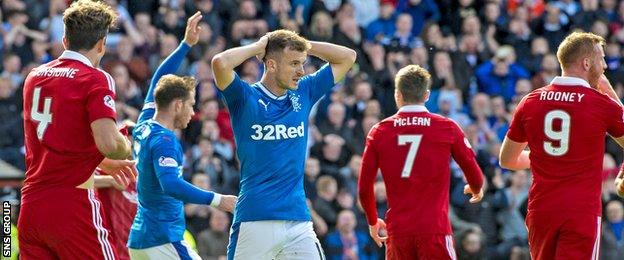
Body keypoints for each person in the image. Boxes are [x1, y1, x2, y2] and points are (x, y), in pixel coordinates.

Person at [211, 29, 356, 259]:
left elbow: (348, 57)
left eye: (302, 63)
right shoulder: (244, 97)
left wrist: (304, 45)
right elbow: (220, 63)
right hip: (255, 219)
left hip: (298, 220)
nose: (301, 71)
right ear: (271, 65)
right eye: (294, 64)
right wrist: (258, 47)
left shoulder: (304, 92)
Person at [18, 1, 137, 258]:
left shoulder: (35, 76)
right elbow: (110, 144)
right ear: (102, 44)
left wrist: (103, 163)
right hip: (72, 204)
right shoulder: (96, 77)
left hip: (32, 203)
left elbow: (61, 137)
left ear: (64, 39)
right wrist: (124, 145)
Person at [499, 31, 624, 260]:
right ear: (587, 63)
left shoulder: (530, 101)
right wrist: (611, 93)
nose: (605, 66)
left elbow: (506, 160)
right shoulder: (601, 104)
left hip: (541, 210)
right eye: (602, 59)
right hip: (581, 212)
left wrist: (546, 156)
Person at [127, 12, 237, 259]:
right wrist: (218, 200)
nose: (192, 112)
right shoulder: (164, 141)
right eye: (191, 104)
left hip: (141, 239)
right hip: (163, 239)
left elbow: (158, 80)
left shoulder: (144, 124)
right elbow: (171, 184)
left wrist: (186, 44)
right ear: (177, 105)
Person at [358, 64, 485, 260]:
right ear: (426, 95)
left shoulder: (380, 131)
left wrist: (373, 220)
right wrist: (475, 188)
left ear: (397, 94)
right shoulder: (447, 127)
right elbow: (475, 174)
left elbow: (364, 187)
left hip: (399, 231)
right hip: (435, 229)